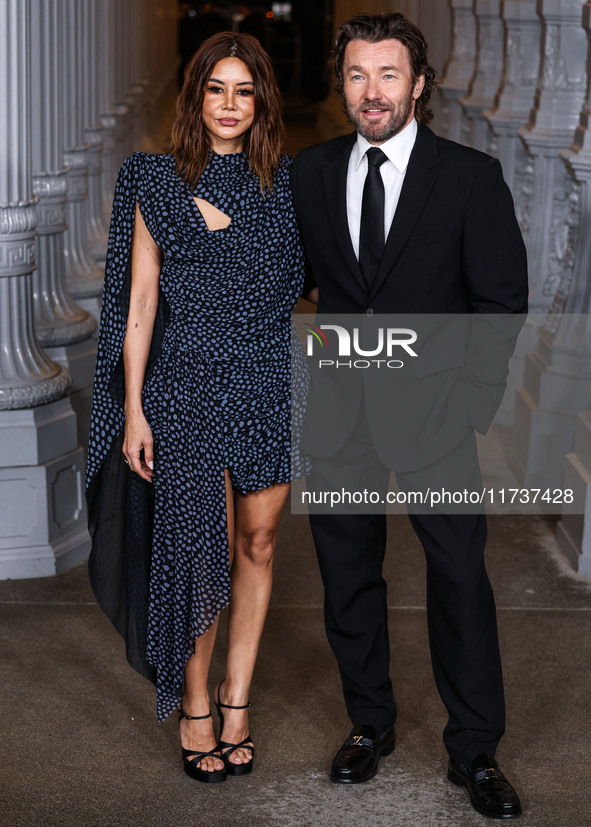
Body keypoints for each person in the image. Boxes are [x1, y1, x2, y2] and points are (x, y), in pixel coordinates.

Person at [292, 12, 527, 820]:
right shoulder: (310, 172)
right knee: (347, 576)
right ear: (343, 83)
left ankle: (475, 748)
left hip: (434, 416)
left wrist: (468, 404)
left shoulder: (468, 176)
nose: (371, 92)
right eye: (357, 75)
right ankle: (370, 723)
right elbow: (286, 284)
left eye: (388, 75)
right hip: (339, 416)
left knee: (459, 577)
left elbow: (498, 300)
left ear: (417, 84)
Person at [86, 31, 308, 784]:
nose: (229, 105)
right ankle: (195, 706)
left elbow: (324, 279)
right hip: (185, 386)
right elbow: (140, 302)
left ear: (261, 103)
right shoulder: (153, 178)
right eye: (216, 88)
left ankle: (237, 699)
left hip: (269, 381)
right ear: (195, 96)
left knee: (258, 542)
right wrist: (136, 409)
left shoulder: (288, 182)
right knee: (199, 549)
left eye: (244, 91)